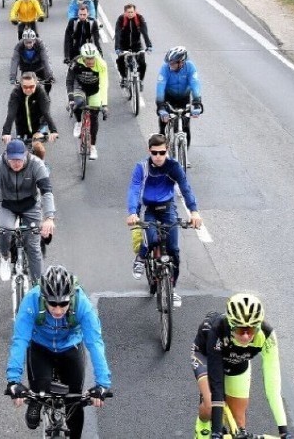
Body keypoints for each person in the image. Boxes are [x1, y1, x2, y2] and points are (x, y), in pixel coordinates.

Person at [4, 265, 112, 439]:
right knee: (40, 390)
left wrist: (102, 384)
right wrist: (13, 381)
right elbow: (20, 341)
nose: (58, 309)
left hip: (70, 347)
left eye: (63, 303)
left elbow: (95, 343)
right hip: (41, 347)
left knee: (74, 404)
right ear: (44, 298)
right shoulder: (31, 300)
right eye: (53, 303)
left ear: (71, 298)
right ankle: (36, 400)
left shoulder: (82, 303)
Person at [192, 294, 293, 439]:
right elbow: (217, 384)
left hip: (237, 362)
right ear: (231, 324)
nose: (246, 336)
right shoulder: (218, 329)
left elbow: (273, 388)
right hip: (206, 357)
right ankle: (201, 427)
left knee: (240, 427)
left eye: (251, 330)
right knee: (209, 405)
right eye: (240, 330)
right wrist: (216, 432)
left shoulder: (267, 335)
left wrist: (284, 431)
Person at [125, 133, 203, 307]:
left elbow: (185, 189)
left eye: (162, 152)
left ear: (167, 150)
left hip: (168, 208)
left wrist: (194, 212)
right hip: (150, 209)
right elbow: (134, 190)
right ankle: (141, 256)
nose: (158, 157)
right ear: (149, 151)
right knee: (152, 239)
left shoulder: (174, 166)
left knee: (174, 250)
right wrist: (132, 212)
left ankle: (172, 289)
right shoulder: (142, 167)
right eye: (154, 153)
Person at [0, 140, 56, 282]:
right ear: (7, 157)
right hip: (7, 204)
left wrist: (49, 218)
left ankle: (37, 290)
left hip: (31, 205)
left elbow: (46, 191)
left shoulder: (36, 164)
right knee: (4, 230)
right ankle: (5, 257)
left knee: (34, 248)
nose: (16, 163)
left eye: (19, 159)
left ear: (25, 155)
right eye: (12, 159)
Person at [65, 43, 108, 161]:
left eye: (92, 58)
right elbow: (69, 81)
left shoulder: (101, 64)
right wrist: (70, 99)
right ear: (82, 58)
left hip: (94, 90)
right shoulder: (76, 62)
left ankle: (93, 147)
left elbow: (104, 85)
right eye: (87, 59)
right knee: (77, 102)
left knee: (94, 116)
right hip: (80, 87)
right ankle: (78, 122)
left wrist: (104, 105)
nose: (90, 61)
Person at [156, 46, 203, 148]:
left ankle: (184, 154)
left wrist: (197, 102)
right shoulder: (165, 68)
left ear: (181, 62)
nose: (170, 65)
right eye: (169, 63)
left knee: (185, 128)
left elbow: (195, 84)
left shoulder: (190, 67)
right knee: (163, 126)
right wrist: (160, 106)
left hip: (184, 98)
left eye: (173, 63)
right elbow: (160, 87)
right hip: (168, 98)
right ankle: (162, 153)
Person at [2, 71, 59, 145]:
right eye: (25, 87)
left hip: (38, 124)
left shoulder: (41, 93)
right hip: (21, 124)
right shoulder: (16, 93)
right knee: (20, 147)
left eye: (31, 86)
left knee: (37, 146)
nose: (28, 89)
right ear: (21, 85)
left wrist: (53, 131)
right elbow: (11, 114)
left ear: (36, 84)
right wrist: (6, 133)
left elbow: (46, 112)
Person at [114, 3, 153, 87]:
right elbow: (117, 33)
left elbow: (145, 33)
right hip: (123, 44)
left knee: (142, 63)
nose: (130, 14)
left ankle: (141, 80)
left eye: (132, 12)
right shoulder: (121, 19)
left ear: (135, 11)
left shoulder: (139, 18)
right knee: (120, 60)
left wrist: (149, 45)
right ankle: (124, 77)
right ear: (125, 12)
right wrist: (117, 47)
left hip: (136, 44)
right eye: (128, 12)